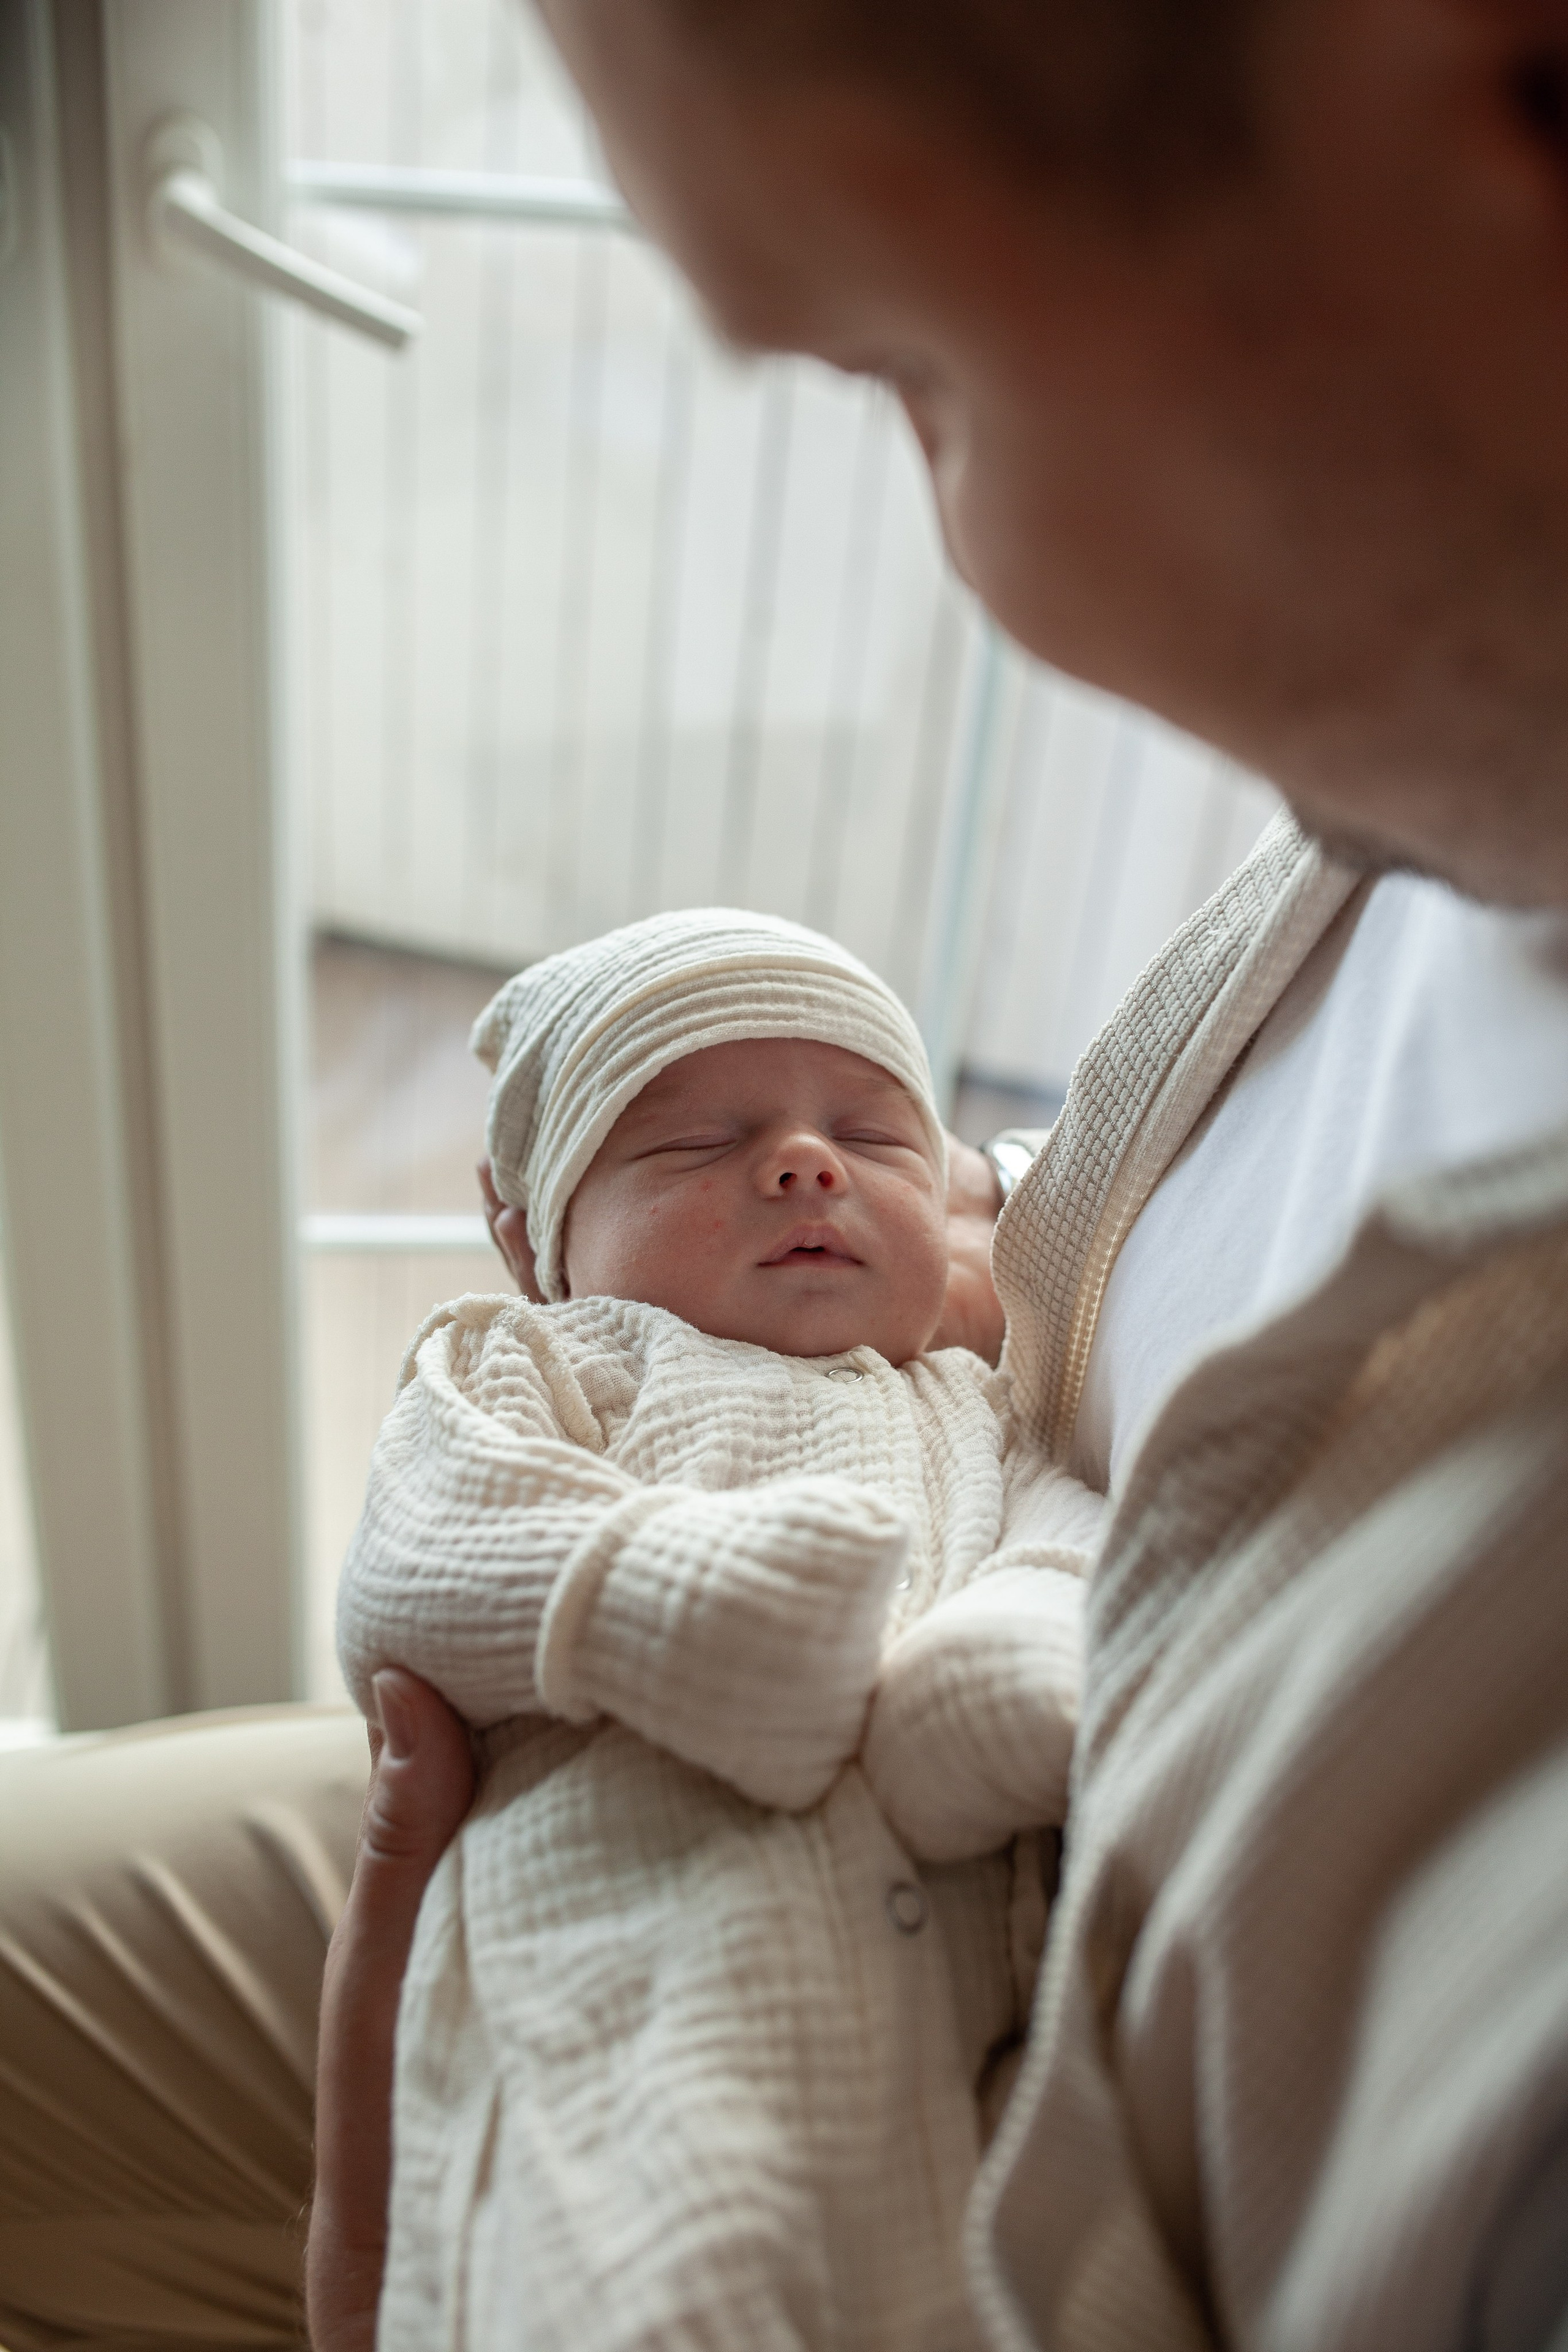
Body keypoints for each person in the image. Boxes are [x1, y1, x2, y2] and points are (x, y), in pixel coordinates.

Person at [3, 0, 1567, 2346]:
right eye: (709, 1140)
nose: (972, 553)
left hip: (973, 1974)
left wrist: (391, 2284)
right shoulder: (1433, 785)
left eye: (909, 371)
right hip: (612, 1782)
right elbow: (467, 1526)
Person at [343, 907, 1102, 2351]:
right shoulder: (538, 1359)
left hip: (980, 2046)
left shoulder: (972, 1396)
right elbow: (420, 1555)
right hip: (631, 1999)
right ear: (536, 1241)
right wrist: (676, 1608)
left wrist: (1010, 1647)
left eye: (872, 1139)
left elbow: (1070, 1522)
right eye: (694, 1144)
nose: (803, 1163)